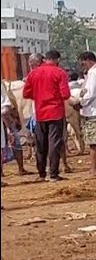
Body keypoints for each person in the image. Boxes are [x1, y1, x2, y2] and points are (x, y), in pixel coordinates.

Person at [22, 49, 72, 182]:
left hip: (40, 113)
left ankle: (41, 173)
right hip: (56, 112)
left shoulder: (34, 73)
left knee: (41, 144)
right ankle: (54, 174)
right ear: (57, 60)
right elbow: (65, 94)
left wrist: (39, 96)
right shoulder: (59, 72)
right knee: (54, 143)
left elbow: (26, 93)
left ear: (45, 59)